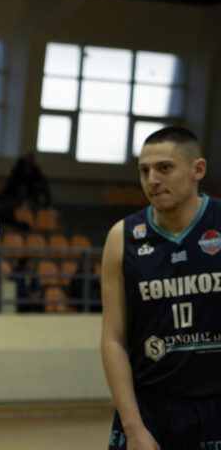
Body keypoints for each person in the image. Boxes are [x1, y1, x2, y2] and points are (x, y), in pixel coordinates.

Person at [101, 126, 221, 450]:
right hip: (148, 411)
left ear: (198, 170)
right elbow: (113, 339)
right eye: (144, 171)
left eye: (164, 168)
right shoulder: (122, 237)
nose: (152, 180)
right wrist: (133, 427)